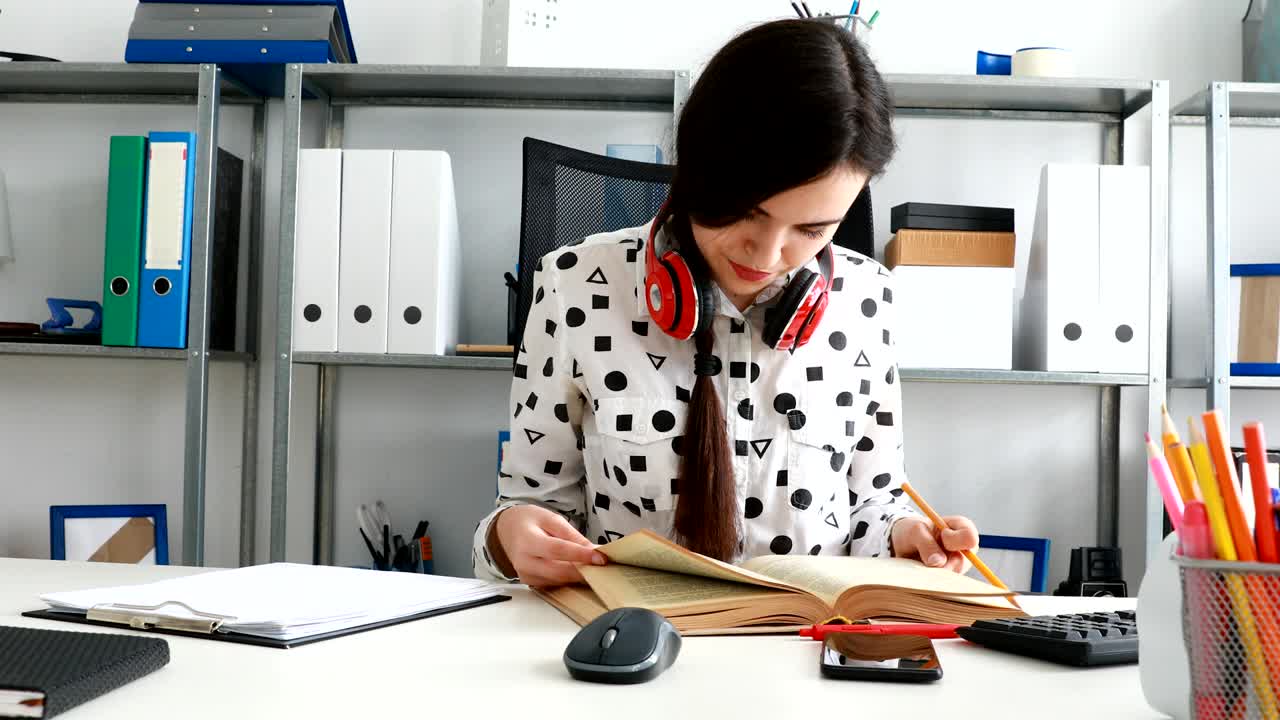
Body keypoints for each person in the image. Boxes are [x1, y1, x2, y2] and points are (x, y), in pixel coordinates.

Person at [472, 17, 979, 588]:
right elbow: (528, 503)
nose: (767, 254)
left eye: (812, 230)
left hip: (802, 648)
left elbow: (873, 504)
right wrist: (510, 536)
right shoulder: (574, 284)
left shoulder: (868, 299)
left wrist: (904, 536)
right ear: (699, 167)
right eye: (747, 212)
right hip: (634, 648)